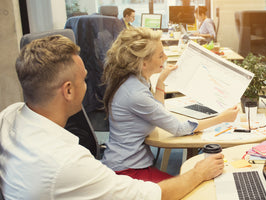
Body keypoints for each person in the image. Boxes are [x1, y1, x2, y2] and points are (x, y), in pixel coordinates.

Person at [0, 35, 224, 199]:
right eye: (84, 80)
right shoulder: (66, 162)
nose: (87, 87)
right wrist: (198, 172)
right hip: (126, 170)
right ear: (68, 90)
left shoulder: (9, 116)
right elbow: (150, 195)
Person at [100, 27, 239, 182]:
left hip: (128, 163)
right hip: (127, 172)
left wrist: (160, 81)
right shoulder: (135, 94)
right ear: (143, 63)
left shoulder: (134, 81)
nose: (165, 57)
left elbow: (157, 112)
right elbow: (179, 129)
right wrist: (222, 118)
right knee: (189, 188)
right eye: (160, 55)